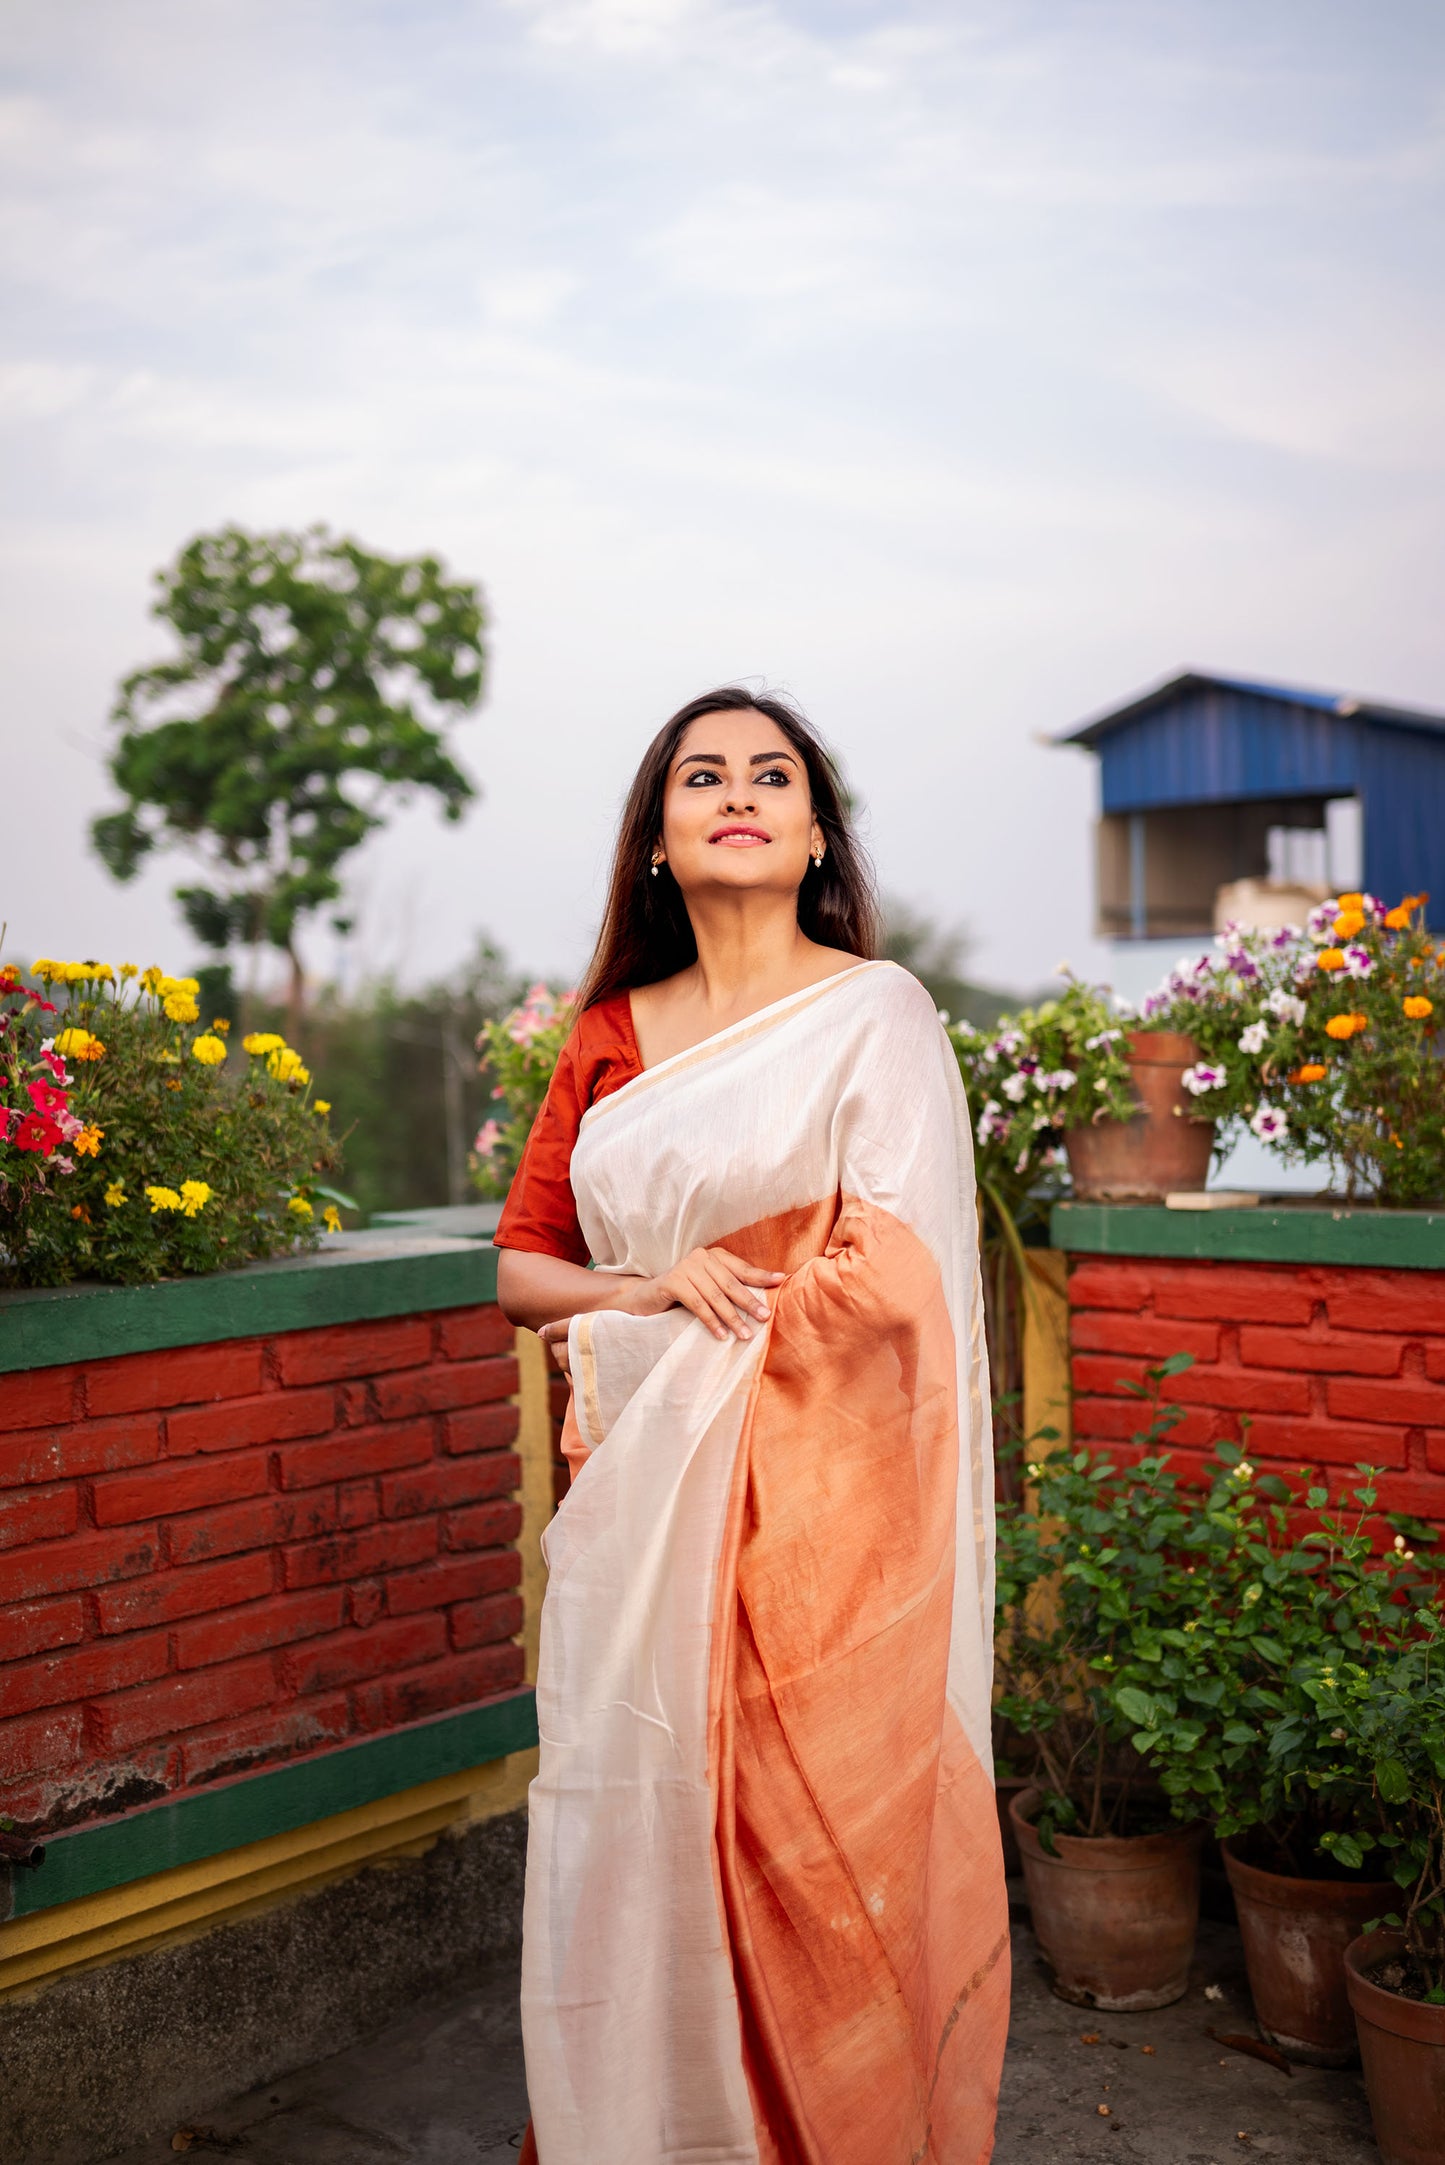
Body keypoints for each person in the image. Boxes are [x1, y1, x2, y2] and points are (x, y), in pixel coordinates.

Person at [495, 687, 1008, 2165]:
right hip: (645, 1514)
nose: (736, 793)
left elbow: (895, 1275)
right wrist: (652, 1285)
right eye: (699, 775)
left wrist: (748, 1332)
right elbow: (523, 1268)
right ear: (655, 839)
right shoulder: (607, 1035)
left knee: (813, 1847)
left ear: (813, 834)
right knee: (644, 1823)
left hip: (832, 1534)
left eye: (769, 775)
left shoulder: (875, 1012)